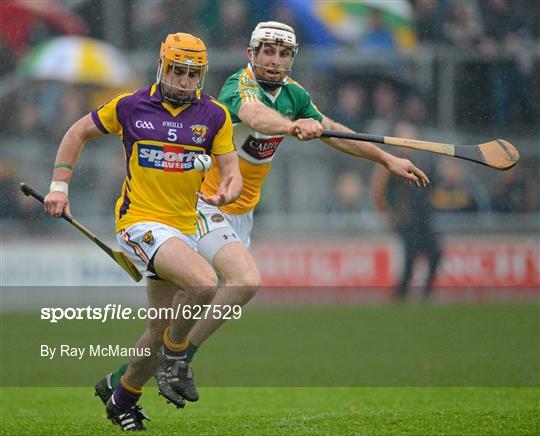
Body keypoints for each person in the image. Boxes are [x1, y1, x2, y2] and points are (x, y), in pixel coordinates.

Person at [99, 21, 429, 409]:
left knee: (160, 327)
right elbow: (256, 117)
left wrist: (387, 159)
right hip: (206, 204)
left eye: (283, 53)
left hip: (241, 215)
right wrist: (294, 127)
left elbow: (334, 132)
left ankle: (119, 384)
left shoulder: (294, 95)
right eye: (267, 52)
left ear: (292, 59)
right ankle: (181, 359)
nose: (274, 61)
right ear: (251, 55)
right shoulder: (238, 88)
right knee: (244, 280)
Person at [43, 32, 242, 431]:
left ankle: (121, 395)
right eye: (177, 71)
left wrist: (228, 189)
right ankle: (176, 359)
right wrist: (59, 187)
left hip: (183, 229)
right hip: (140, 223)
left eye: (192, 74)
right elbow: (77, 133)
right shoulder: (131, 105)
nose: (184, 81)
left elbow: (232, 171)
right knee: (204, 284)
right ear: (162, 67)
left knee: (158, 330)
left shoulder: (215, 115)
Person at [371, 122, 441, 301]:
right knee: (408, 261)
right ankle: (401, 296)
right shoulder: (390, 163)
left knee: (436, 253)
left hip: (424, 220)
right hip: (405, 222)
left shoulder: (423, 162)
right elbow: (378, 191)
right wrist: (387, 214)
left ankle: (425, 294)